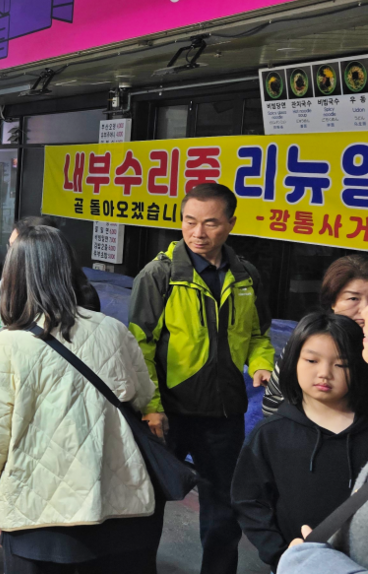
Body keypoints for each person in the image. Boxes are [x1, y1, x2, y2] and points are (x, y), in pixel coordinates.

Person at [0, 224, 160, 573]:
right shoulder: (113, 331)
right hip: (114, 508)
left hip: (35, 516)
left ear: (14, 277)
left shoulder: (6, 346)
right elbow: (143, 394)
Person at [128, 183, 276, 574]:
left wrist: (261, 363)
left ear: (231, 224)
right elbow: (138, 347)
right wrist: (151, 407)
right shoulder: (159, 275)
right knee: (147, 504)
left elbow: (259, 335)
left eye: (210, 223)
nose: (198, 233)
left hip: (223, 415)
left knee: (223, 510)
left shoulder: (246, 276)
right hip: (167, 415)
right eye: (189, 221)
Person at [233, 312, 368, 570]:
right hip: (297, 564)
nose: (324, 373)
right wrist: (279, 554)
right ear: (292, 361)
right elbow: (248, 501)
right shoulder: (271, 433)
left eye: (341, 364)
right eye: (312, 360)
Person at [265, 254, 368, 416]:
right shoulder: (309, 341)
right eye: (353, 298)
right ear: (332, 302)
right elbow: (274, 400)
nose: (364, 310)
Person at [0, 216, 100, 337]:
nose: (10, 255)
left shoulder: (84, 295)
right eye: (10, 246)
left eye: (16, 248)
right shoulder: (6, 287)